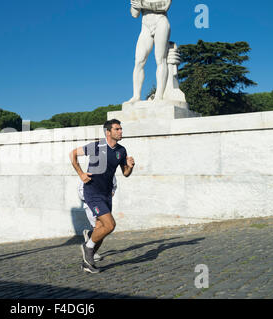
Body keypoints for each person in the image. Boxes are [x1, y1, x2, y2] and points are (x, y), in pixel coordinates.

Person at [69, 119, 135, 273]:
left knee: (100, 228)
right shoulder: (97, 146)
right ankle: (87, 247)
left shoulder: (122, 151)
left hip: (107, 194)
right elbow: (72, 154)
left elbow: (125, 173)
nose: (121, 132)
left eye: (121, 129)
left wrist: (130, 167)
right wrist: (81, 174)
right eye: (117, 129)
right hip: (92, 192)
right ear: (108, 132)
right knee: (110, 225)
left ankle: (88, 261)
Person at [126, 0, 172, 104]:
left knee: (160, 59)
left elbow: (165, 5)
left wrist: (142, 4)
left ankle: (159, 95)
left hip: (161, 22)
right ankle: (136, 96)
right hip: (145, 25)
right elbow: (134, 15)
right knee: (139, 61)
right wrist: (135, 5)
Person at [78, 175, 117, 263]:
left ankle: (90, 242)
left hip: (104, 205)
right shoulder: (92, 173)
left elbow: (114, 187)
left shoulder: (111, 174)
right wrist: (93, 199)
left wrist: (110, 193)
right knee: (103, 227)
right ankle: (90, 252)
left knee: (103, 228)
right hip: (92, 204)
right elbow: (81, 190)